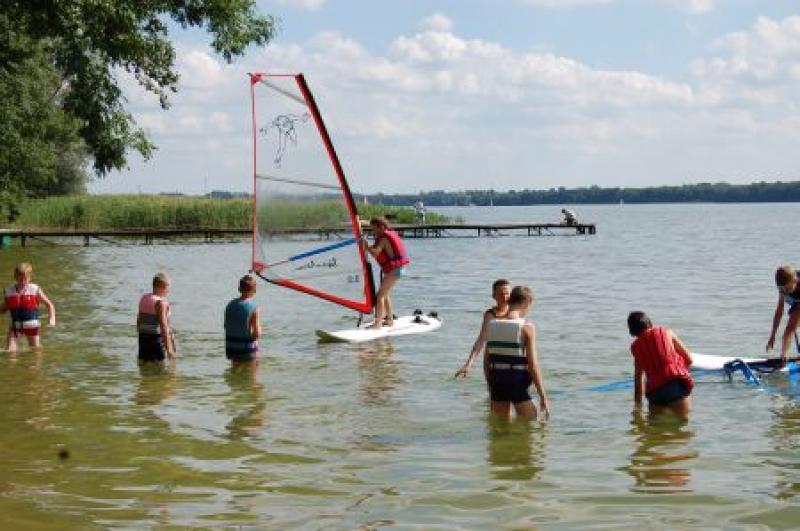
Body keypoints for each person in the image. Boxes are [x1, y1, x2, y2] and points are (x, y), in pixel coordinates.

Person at [483, 285, 549, 419]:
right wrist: (543, 396)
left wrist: (490, 385)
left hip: (496, 381)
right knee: (530, 424)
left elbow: (487, 361)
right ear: (527, 303)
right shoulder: (526, 327)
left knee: (499, 431)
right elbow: (533, 365)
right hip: (516, 381)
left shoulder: (492, 325)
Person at [627, 311, 693, 418]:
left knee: (657, 430)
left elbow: (638, 382)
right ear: (650, 323)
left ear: (632, 331)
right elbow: (689, 359)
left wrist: (637, 410)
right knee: (683, 426)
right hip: (674, 385)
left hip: (654, 393)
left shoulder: (636, 348)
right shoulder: (666, 332)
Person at [454, 279, 511, 378]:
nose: (505, 297)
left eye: (507, 294)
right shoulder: (491, 314)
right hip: (495, 361)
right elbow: (481, 340)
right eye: (501, 294)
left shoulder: (516, 312)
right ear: (494, 296)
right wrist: (469, 364)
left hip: (516, 361)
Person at [362, 216, 410, 329]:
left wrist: (366, 246)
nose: (373, 232)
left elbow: (375, 253)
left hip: (395, 270)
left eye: (374, 229)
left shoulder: (384, 239)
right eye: (372, 229)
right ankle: (389, 320)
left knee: (379, 297)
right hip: (397, 269)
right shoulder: (384, 234)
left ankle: (377, 323)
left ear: (382, 227)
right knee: (386, 294)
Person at [1, 262, 56, 352]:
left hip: (32, 327)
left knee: (35, 352)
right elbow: (6, 306)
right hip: (15, 327)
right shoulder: (9, 291)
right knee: (9, 352)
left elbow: (49, 304)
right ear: (15, 277)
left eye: (25, 279)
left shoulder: (35, 290)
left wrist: (52, 319)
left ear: (30, 278)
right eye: (20, 279)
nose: (22, 282)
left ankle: (34, 365)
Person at [137, 272, 176, 362]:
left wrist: (142, 337)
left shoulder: (144, 298)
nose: (168, 290)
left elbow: (139, 319)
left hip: (143, 340)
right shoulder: (161, 303)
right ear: (163, 286)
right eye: (168, 287)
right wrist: (169, 350)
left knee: (145, 370)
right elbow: (163, 325)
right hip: (156, 342)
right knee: (160, 370)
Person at [224, 275, 262, 364]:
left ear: (239, 289)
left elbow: (226, 326)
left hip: (231, 348)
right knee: (253, 373)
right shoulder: (254, 308)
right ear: (255, 290)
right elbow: (257, 334)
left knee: (234, 370)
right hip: (247, 350)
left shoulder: (229, 305)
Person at [767, 265, 800, 364]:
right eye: (782, 289)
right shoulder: (783, 287)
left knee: (790, 327)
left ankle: (783, 356)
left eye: (787, 289)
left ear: (795, 281)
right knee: (792, 320)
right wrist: (772, 335)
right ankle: (784, 356)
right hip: (797, 302)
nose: (784, 292)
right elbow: (779, 312)